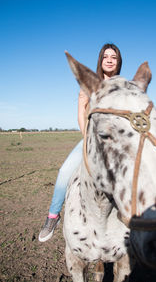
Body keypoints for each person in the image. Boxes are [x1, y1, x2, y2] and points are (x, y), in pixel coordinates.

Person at [38, 43, 122, 242]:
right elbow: (81, 115)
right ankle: (53, 216)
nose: (109, 59)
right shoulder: (87, 83)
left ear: (118, 61)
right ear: (100, 60)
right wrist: (89, 139)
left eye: (114, 57)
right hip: (92, 139)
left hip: (119, 141)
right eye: (106, 56)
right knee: (65, 171)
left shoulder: (123, 85)